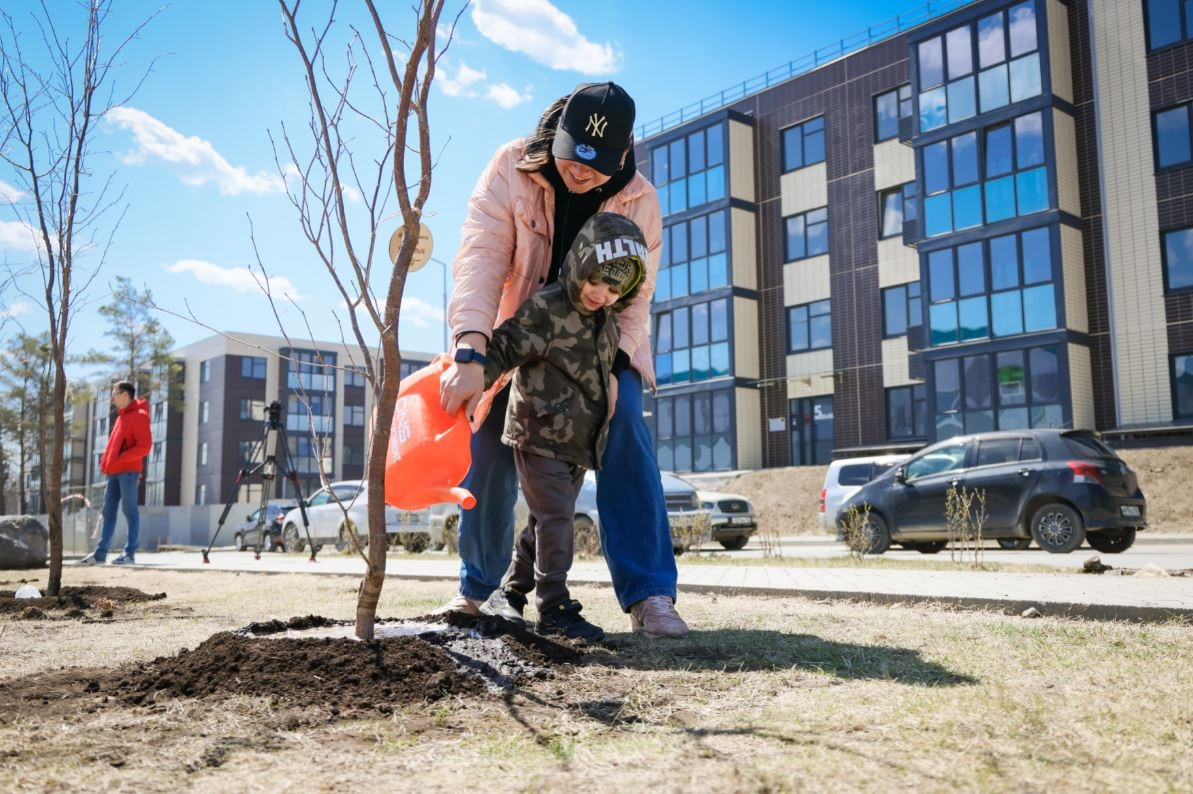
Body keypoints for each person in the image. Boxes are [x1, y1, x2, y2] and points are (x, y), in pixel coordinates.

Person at [439, 81, 689, 638]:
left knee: (626, 433)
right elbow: (481, 257)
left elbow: (637, 297)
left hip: (599, 351)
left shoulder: (642, 201)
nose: (579, 170)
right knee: (489, 445)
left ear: (622, 155)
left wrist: (616, 369)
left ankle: (650, 594)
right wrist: (471, 349)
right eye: (573, 153)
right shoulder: (511, 166)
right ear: (558, 133)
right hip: (520, 333)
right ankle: (477, 589)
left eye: (596, 164)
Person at [478, 212, 646, 641]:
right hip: (537, 432)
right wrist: (473, 377)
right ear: (581, 264)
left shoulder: (607, 322)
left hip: (578, 443)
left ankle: (509, 592)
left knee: (544, 520)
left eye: (614, 289)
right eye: (596, 281)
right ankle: (553, 605)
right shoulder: (548, 307)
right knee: (557, 518)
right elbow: (506, 345)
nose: (602, 294)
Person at [79, 381, 152, 565]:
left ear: (125, 395)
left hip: (129, 472)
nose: (112, 398)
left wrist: (121, 458)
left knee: (130, 511)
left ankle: (129, 554)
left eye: (114, 394)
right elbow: (113, 446)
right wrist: (107, 463)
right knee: (108, 512)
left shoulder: (140, 416)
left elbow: (144, 447)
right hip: (114, 472)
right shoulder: (121, 417)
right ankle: (100, 554)